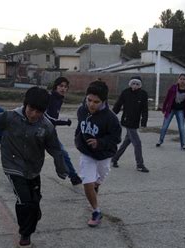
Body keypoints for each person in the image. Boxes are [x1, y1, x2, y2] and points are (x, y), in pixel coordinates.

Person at [0, 87, 68, 248]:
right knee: (25, 201)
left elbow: (55, 148)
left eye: (38, 112)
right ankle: (25, 233)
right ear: (25, 105)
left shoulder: (46, 127)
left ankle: (33, 212)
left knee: (34, 201)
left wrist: (60, 167)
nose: (33, 114)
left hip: (33, 168)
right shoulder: (10, 117)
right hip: (12, 165)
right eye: (31, 109)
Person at [75, 81, 121, 227]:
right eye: (89, 100)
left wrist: (99, 143)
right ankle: (96, 211)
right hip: (86, 153)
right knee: (87, 181)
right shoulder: (81, 111)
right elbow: (80, 127)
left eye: (96, 102)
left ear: (104, 101)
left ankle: (96, 186)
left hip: (104, 155)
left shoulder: (111, 118)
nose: (91, 104)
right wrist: (78, 140)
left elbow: (116, 138)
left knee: (98, 179)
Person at [45, 77, 82, 186]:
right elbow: (47, 118)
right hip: (41, 131)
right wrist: (64, 122)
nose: (63, 88)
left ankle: (73, 177)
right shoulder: (50, 97)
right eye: (61, 86)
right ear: (55, 86)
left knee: (63, 153)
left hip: (50, 132)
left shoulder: (59, 99)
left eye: (65, 87)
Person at [111, 76, 149, 172]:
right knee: (137, 143)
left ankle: (114, 158)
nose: (135, 86)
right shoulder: (125, 92)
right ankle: (140, 164)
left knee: (126, 142)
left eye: (137, 84)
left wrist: (144, 122)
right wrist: (111, 115)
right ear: (130, 84)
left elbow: (145, 109)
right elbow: (118, 104)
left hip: (135, 122)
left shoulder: (143, 94)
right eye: (133, 83)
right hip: (127, 121)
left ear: (140, 85)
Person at [156, 73, 185, 150]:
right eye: (181, 79)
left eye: (184, 79)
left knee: (181, 128)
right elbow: (167, 98)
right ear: (178, 80)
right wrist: (164, 108)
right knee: (164, 126)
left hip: (180, 111)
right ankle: (160, 141)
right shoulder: (173, 88)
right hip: (171, 109)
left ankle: (183, 145)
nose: (182, 81)